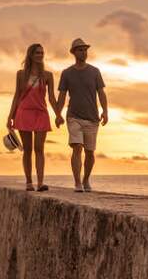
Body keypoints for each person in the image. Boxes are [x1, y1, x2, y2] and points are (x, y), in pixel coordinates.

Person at [54, 38, 108, 192]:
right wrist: (58, 114)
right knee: (77, 147)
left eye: (85, 50)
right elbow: (62, 96)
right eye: (80, 50)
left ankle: (86, 180)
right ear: (73, 52)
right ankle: (77, 182)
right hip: (74, 116)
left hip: (92, 118)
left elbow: (101, 93)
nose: (83, 52)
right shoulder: (67, 73)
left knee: (90, 152)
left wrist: (105, 111)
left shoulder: (95, 71)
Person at [6, 43, 59, 192]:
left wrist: (58, 114)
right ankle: (29, 182)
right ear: (30, 55)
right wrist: (10, 116)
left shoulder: (47, 75)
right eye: (37, 53)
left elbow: (51, 98)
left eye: (42, 53)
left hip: (41, 113)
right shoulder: (21, 74)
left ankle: (40, 183)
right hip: (24, 113)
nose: (40, 55)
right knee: (27, 149)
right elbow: (17, 96)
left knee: (39, 149)